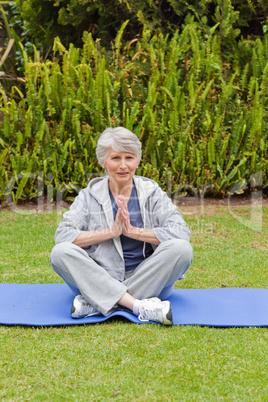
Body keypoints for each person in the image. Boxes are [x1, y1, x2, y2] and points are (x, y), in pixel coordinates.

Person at [50, 127, 193, 325]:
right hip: (99, 275)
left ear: (137, 161)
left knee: (182, 249)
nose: (123, 165)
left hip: (148, 278)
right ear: (103, 162)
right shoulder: (88, 195)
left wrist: (134, 232)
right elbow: (63, 236)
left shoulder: (152, 192)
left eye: (129, 158)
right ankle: (138, 306)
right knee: (60, 252)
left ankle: (97, 302)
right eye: (115, 158)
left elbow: (181, 232)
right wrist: (111, 232)